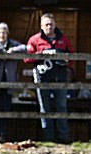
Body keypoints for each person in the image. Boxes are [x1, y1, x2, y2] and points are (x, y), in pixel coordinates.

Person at [26, 13, 73, 144]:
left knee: (61, 107)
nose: (49, 27)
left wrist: (64, 58)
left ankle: (63, 138)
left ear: (55, 25)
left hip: (60, 77)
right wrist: (41, 55)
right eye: (46, 24)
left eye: (51, 24)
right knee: (45, 108)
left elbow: (72, 57)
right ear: (41, 26)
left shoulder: (63, 39)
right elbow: (26, 58)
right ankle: (49, 137)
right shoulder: (34, 40)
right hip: (42, 78)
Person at [0, 23, 26, 143]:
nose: (2, 35)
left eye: (4, 32)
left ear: (7, 33)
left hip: (8, 83)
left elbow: (25, 48)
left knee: (5, 109)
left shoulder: (13, 44)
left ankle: (3, 134)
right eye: (0, 32)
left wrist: (12, 51)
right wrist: (3, 53)